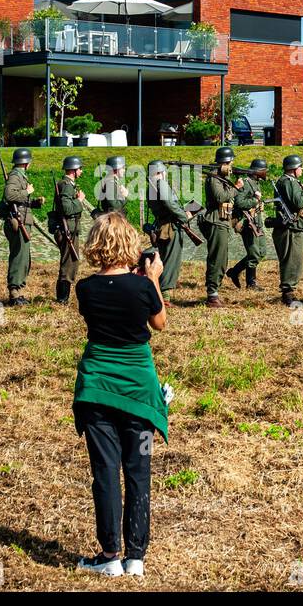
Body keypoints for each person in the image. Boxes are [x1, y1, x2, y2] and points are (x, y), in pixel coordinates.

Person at [71, 211, 169, 578]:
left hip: (97, 388)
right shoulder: (143, 287)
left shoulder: (85, 289)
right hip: (139, 392)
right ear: (130, 244)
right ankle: (136, 557)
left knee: (105, 471)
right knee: (138, 470)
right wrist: (153, 280)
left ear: (96, 245)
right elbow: (158, 323)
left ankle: (110, 553)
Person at [1, 147, 45, 305]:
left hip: (23, 219)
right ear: (26, 163)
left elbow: (19, 200)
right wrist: (27, 191)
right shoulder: (15, 176)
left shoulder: (20, 176)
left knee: (23, 257)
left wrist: (34, 202)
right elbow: (9, 195)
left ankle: (18, 291)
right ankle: (14, 293)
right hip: (18, 221)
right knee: (19, 257)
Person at [145, 160, 193, 303]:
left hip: (162, 226)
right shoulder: (161, 184)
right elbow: (169, 203)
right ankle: (165, 296)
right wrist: (184, 215)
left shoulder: (151, 187)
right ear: (161, 171)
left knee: (165, 258)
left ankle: (160, 290)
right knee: (171, 261)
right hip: (171, 227)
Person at [200, 146, 241, 307]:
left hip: (222, 221)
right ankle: (212, 294)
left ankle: (215, 292)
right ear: (225, 163)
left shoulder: (221, 178)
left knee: (222, 258)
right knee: (217, 258)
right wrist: (236, 188)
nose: (232, 166)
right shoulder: (214, 178)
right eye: (230, 162)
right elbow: (220, 197)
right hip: (215, 220)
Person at [272, 153, 303, 306]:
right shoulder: (288, 182)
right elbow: (298, 201)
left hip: (295, 227)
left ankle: (289, 291)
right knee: (292, 260)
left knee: (294, 260)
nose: (302, 169)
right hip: (292, 228)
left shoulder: (291, 182)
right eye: (300, 167)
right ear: (294, 169)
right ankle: (288, 293)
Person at [225, 158, 268, 291]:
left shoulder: (255, 183)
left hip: (256, 222)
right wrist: (255, 200)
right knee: (254, 253)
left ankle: (235, 271)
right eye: (263, 171)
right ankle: (251, 283)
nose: (265, 173)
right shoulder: (246, 183)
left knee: (262, 252)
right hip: (247, 223)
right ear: (257, 172)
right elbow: (239, 202)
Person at [54, 155, 87, 304]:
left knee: (71, 262)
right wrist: (79, 201)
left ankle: (63, 297)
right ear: (74, 170)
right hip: (68, 229)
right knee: (68, 263)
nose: (81, 172)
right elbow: (67, 208)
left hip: (70, 228)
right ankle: (62, 298)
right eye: (80, 169)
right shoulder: (67, 185)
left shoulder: (67, 184)